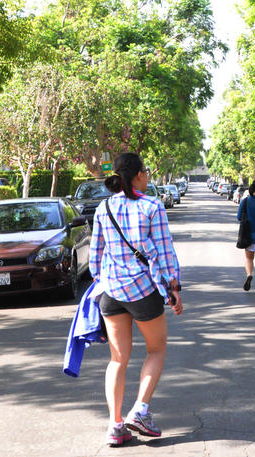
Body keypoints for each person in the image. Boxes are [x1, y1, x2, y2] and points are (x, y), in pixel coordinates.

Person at [90, 152, 183, 447]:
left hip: (111, 293)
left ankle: (115, 425)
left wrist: (103, 279)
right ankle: (140, 410)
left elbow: (95, 256)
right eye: (146, 172)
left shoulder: (103, 208)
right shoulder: (151, 205)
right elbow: (165, 253)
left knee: (118, 359)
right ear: (139, 175)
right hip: (143, 290)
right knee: (156, 349)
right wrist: (173, 288)